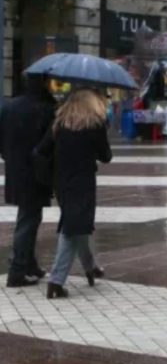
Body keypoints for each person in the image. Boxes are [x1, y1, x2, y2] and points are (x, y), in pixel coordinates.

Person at [34, 88, 112, 299]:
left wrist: (47, 176)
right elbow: (106, 156)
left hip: (62, 182)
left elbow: (40, 151)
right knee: (71, 229)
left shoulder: (59, 124)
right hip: (83, 182)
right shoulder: (94, 125)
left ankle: (90, 267)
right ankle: (56, 282)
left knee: (79, 225)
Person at [1, 75, 57, 287]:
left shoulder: (10, 106)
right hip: (36, 171)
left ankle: (30, 264)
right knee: (28, 219)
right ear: (43, 84)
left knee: (29, 215)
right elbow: (49, 143)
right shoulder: (44, 108)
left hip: (16, 170)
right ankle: (17, 270)